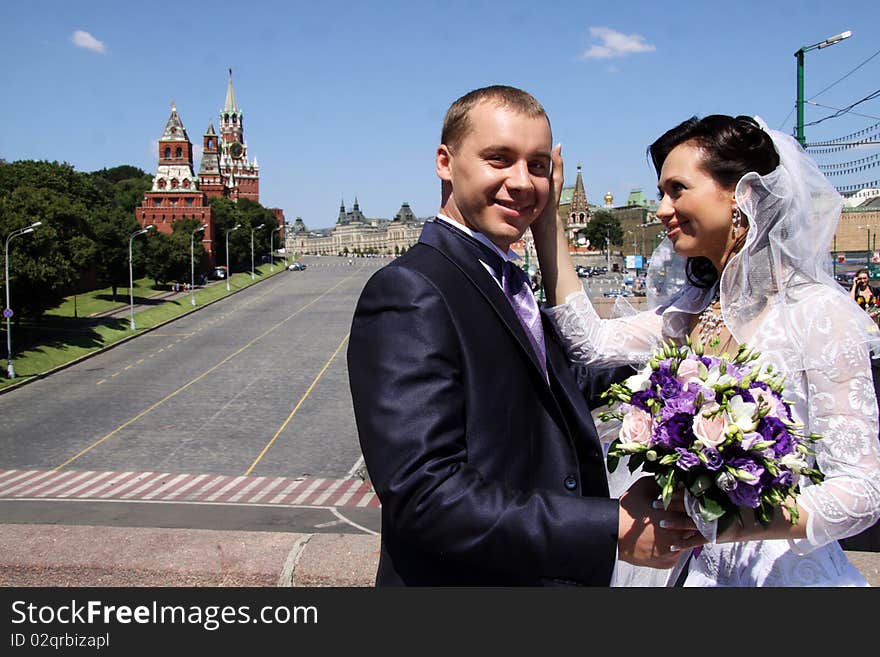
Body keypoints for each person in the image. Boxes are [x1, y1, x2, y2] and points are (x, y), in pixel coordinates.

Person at [346, 85, 703, 586]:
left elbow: (550, 387)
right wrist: (608, 529)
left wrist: (683, 351)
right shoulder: (411, 290)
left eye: (537, 166)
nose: (522, 183)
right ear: (445, 162)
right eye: (499, 159)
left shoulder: (502, 274)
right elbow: (425, 494)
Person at [532, 114, 880, 586]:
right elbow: (588, 341)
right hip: (700, 570)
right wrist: (548, 219)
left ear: (742, 196)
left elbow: (862, 492)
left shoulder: (817, 313)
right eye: (660, 192)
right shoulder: (694, 308)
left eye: (677, 189)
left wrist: (724, 522)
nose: (660, 208)